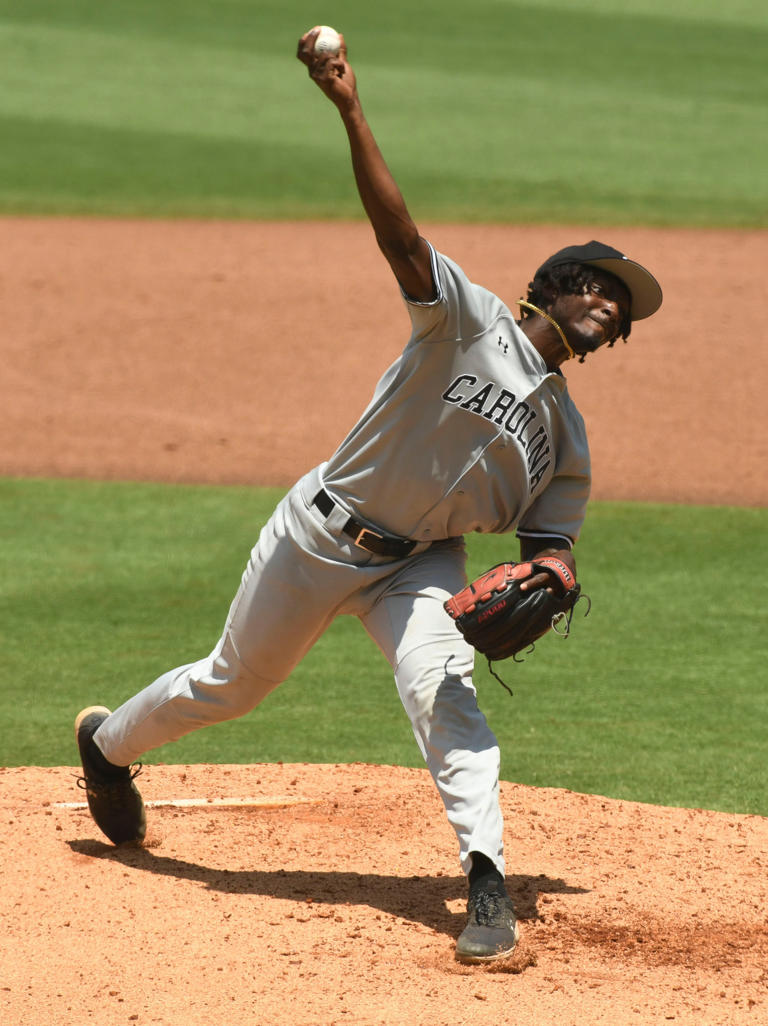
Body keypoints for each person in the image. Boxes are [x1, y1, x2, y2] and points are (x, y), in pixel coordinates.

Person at [74, 29, 662, 963]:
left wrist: (552, 572)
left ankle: (485, 884)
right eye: (601, 285)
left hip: (420, 566)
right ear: (554, 286)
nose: (613, 304)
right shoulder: (465, 320)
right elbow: (400, 236)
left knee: (446, 692)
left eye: (624, 306)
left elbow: (555, 540)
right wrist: (350, 107)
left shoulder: (568, 438)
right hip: (319, 533)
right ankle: (108, 748)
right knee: (232, 686)